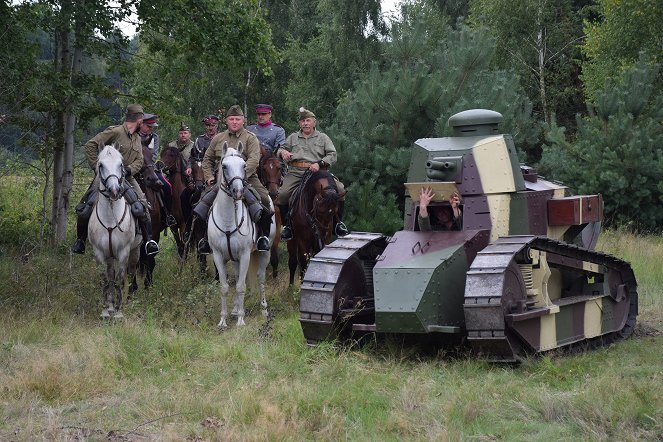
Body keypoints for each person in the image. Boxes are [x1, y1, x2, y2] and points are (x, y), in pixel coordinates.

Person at [71, 103, 160, 255]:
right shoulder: (116, 131)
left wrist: (129, 170)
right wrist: (98, 167)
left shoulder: (137, 137)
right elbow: (90, 145)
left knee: (143, 206)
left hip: (127, 177)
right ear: (138, 120)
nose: (143, 123)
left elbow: (139, 160)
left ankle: (149, 242)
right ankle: (80, 241)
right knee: (86, 205)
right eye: (142, 119)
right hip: (107, 176)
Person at [193, 105, 273, 252]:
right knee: (201, 203)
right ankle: (205, 239)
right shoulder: (218, 138)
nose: (234, 122)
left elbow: (254, 160)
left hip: (247, 177)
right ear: (226, 121)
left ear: (243, 121)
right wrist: (210, 176)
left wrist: (239, 177)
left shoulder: (250, 138)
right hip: (221, 178)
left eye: (237, 119)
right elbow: (207, 160)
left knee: (264, 199)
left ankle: (262, 236)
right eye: (231, 119)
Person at [276, 107, 349, 240]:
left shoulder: (323, 137)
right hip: (296, 172)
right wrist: (283, 153)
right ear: (299, 123)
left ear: (314, 122)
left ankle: (338, 223)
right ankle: (287, 226)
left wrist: (320, 163)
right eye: (302, 121)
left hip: (319, 173)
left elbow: (333, 155)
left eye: (308, 120)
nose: (305, 123)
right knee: (282, 194)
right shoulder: (293, 137)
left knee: (340, 189)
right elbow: (281, 149)